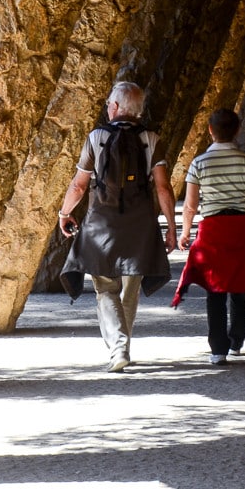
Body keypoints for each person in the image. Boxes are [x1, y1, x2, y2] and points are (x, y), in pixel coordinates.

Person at [58, 82, 178, 373]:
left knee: (105, 289)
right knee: (130, 289)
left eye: (109, 103)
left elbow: (79, 184)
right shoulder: (151, 138)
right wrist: (171, 227)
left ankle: (118, 348)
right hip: (139, 226)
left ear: (114, 107)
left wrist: (64, 212)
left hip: (102, 224)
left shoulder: (97, 137)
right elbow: (163, 187)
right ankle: (122, 346)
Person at [172, 108, 245, 365]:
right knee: (240, 288)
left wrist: (185, 232)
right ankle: (236, 342)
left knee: (214, 289)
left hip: (213, 231)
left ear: (210, 130)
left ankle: (217, 350)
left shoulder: (198, 163)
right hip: (244, 229)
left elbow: (190, 205)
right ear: (237, 130)